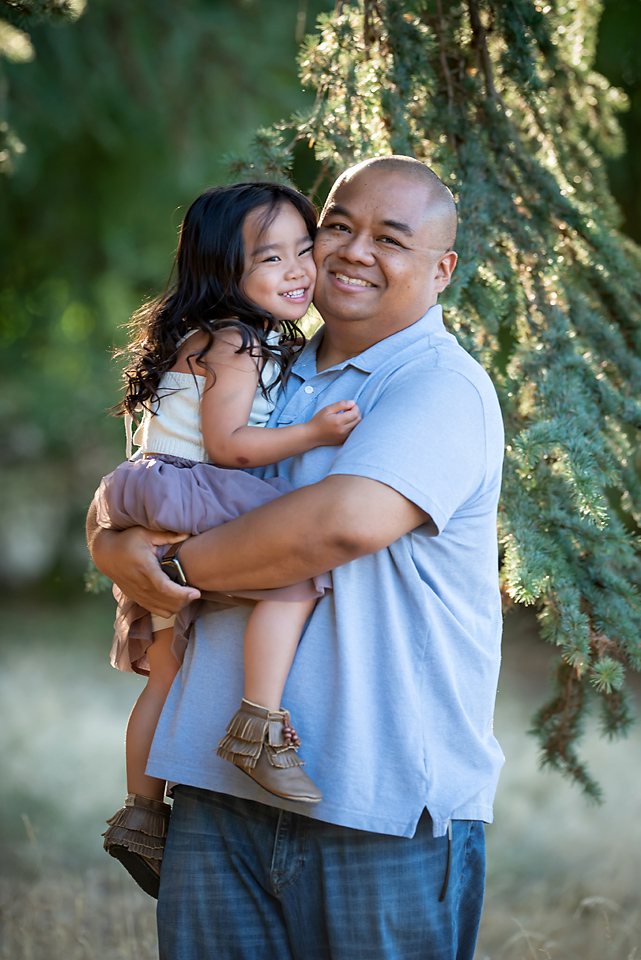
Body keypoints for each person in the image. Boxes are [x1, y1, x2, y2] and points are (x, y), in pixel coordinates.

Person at [88, 155, 505, 960]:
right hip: (214, 787)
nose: (353, 251)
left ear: (441, 268)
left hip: (371, 799)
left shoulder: (438, 386)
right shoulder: (261, 363)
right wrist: (113, 550)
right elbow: (144, 484)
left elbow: (338, 525)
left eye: (390, 238)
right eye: (338, 226)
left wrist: (168, 572)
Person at [95, 182, 362, 897]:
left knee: (167, 667)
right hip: (196, 486)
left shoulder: (202, 335)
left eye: (303, 248)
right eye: (270, 258)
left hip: (154, 491)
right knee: (297, 572)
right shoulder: (239, 340)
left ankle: (141, 815)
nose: (298, 269)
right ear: (225, 274)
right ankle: (258, 725)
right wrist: (315, 432)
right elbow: (232, 445)